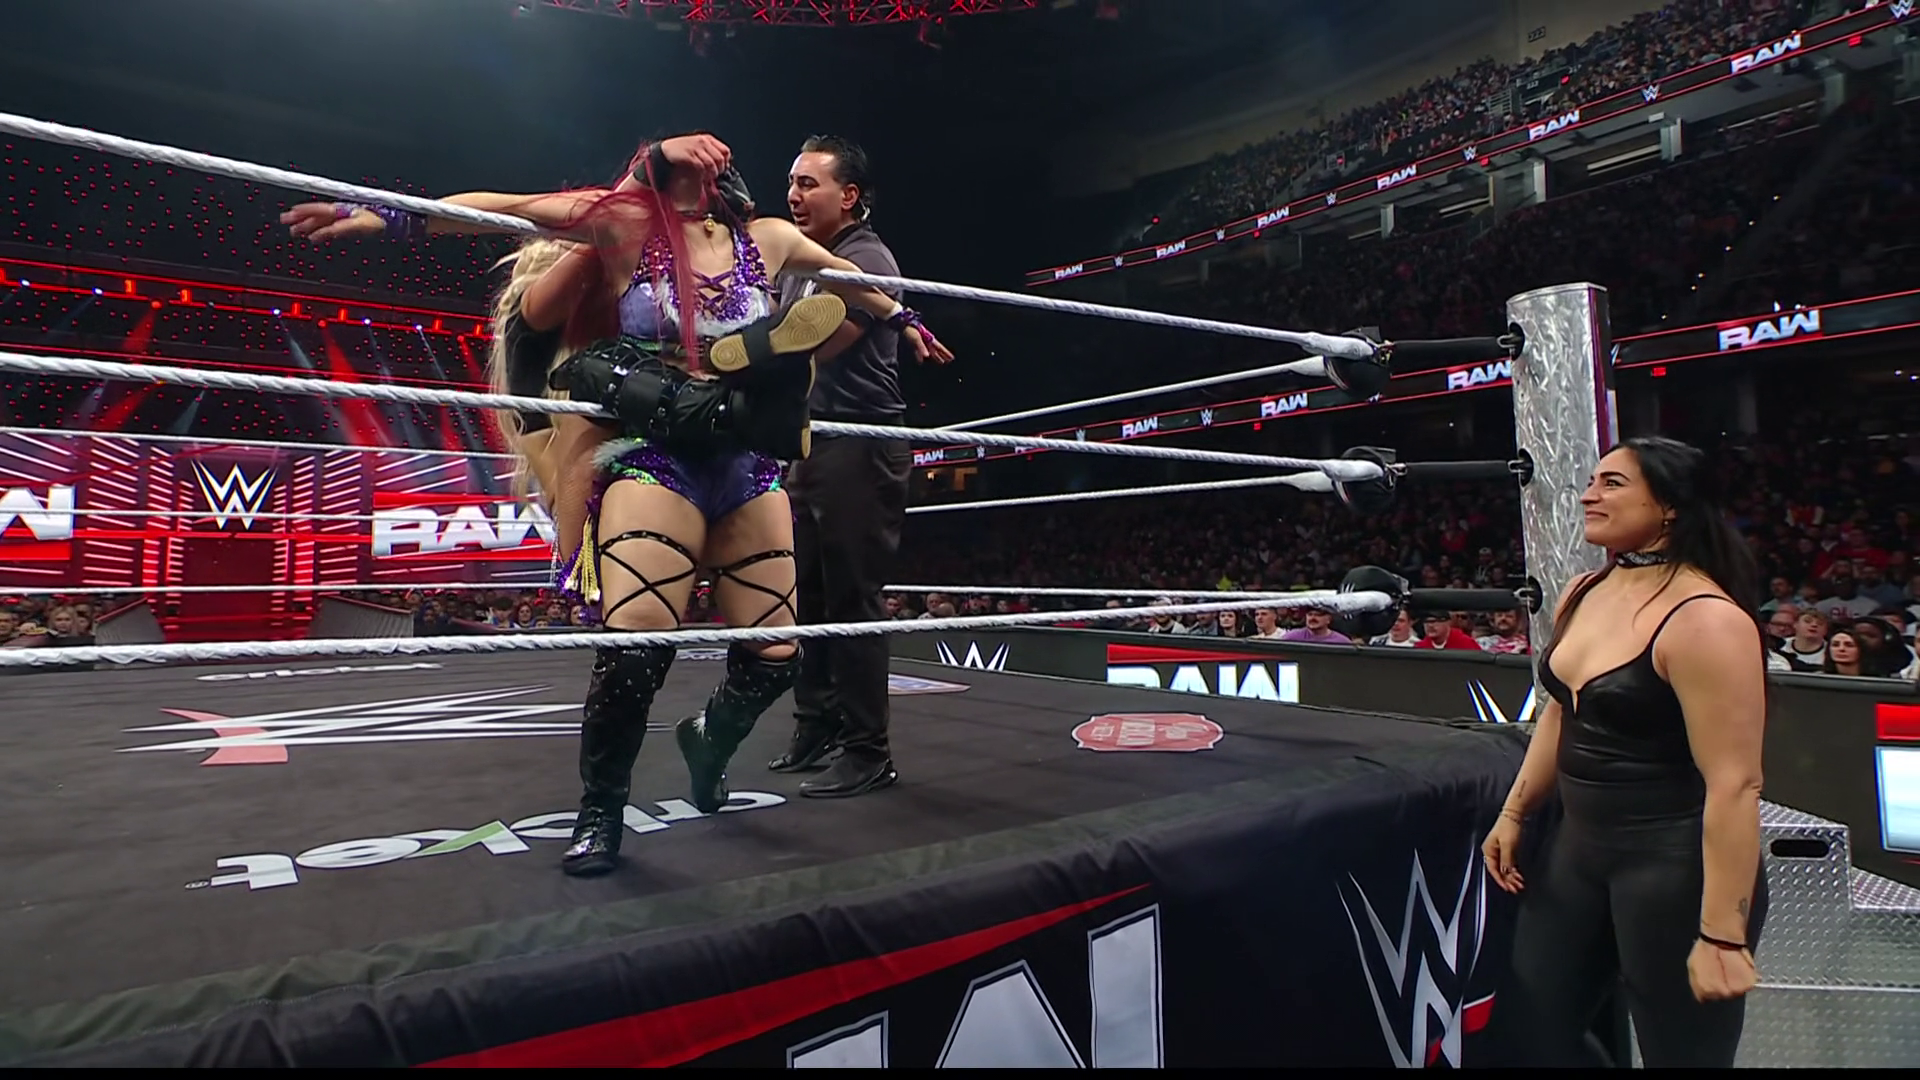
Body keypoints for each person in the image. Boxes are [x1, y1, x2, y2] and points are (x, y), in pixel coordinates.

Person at [284, 133, 946, 876]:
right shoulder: (626, 225)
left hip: (744, 462)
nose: (704, 172)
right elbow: (504, 209)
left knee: (775, 656)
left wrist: (901, 319)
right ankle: (600, 810)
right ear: (661, 173)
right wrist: (388, 216)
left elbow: (851, 278)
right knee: (635, 647)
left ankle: (709, 739)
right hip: (658, 454)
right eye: (684, 164)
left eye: (712, 166)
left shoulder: (767, 240)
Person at [1482, 436, 1766, 1067]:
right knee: (1529, 1036)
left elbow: (1735, 783)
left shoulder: (1705, 619)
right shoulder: (1584, 590)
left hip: (1673, 869)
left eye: (1612, 483)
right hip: (1578, 853)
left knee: (1681, 1057)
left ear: (1669, 505)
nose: (1589, 495)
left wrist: (1722, 932)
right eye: (1591, 480)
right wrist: (1515, 811)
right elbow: (1562, 710)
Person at [765, 136, 944, 797]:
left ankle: (868, 750)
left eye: (808, 183)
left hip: (860, 444)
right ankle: (817, 725)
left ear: (849, 195)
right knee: (807, 595)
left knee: (852, 597)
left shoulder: (866, 258)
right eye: (792, 181)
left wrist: (750, 360)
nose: (793, 194)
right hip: (809, 443)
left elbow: (814, 346)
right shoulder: (798, 261)